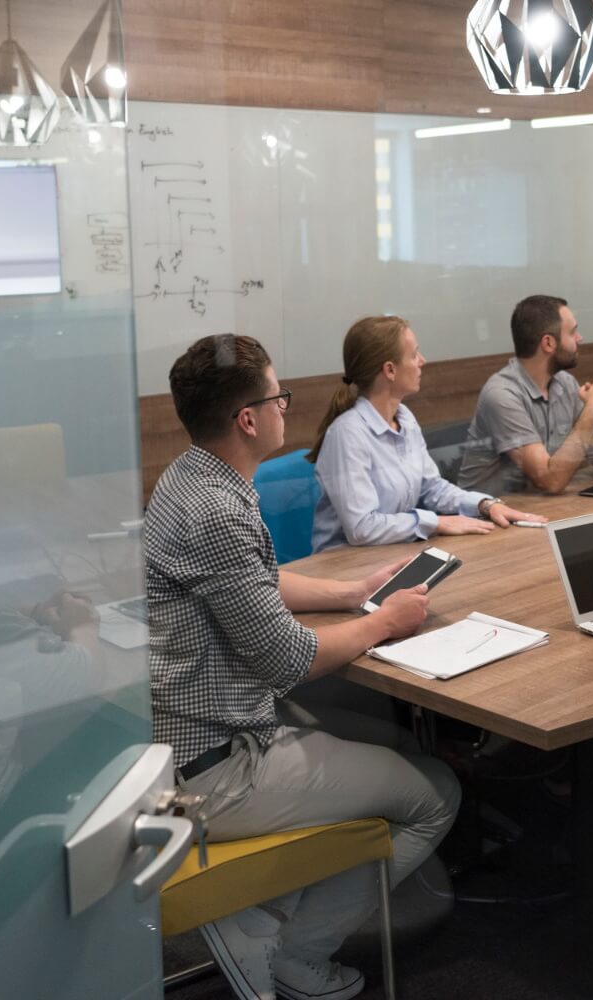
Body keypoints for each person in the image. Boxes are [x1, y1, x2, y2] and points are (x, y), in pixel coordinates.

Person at [146, 333, 460, 1000]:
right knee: (434, 796)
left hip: (192, 741)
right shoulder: (217, 510)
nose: (286, 407)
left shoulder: (190, 476)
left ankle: (277, 907)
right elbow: (290, 660)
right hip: (217, 768)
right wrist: (384, 622)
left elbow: (251, 580)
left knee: (398, 746)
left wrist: (351, 594)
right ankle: (297, 953)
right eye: (278, 396)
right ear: (248, 419)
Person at [307, 315, 545, 550]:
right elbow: (362, 528)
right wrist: (436, 522)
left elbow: (432, 488)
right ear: (390, 370)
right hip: (345, 563)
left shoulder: (404, 418)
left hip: (393, 551)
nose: (423, 361)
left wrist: (484, 505)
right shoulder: (347, 434)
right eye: (414, 355)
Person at [455, 294, 593, 495]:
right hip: (488, 512)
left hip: (539, 507)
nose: (580, 338)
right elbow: (550, 480)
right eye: (573, 332)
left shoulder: (565, 383)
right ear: (548, 343)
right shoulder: (501, 395)